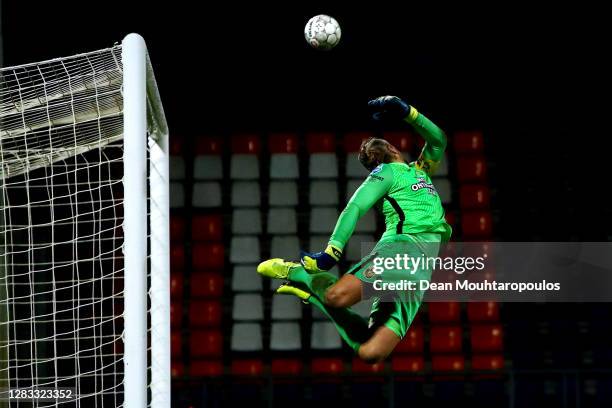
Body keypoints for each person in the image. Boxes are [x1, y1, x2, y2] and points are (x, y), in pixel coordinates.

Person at [257, 96, 451, 363]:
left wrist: (410, 112)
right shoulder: (386, 172)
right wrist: (331, 252)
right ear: (392, 149)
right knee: (337, 297)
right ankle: (300, 274)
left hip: (423, 266)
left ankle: (310, 294)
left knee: (371, 353)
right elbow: (355, 208)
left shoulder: (421, 170)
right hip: (403, 248)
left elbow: (439, 140)